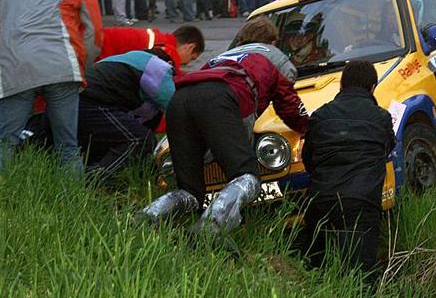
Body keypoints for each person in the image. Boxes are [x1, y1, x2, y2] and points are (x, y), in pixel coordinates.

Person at [138, 17, 309, 234]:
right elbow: (289, 104)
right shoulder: (274, 55)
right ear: (273, 41)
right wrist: (308, 126)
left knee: (190, 191)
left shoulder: (221, 57)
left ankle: (145, 219)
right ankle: (211, 227)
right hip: (221, 98)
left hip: (179, 99)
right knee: (246, 177)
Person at [0, 0, 102, 175]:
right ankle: (73, 204)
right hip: (61, 67)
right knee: (67, 146)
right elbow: (94, 33)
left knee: (4, 142)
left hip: (16, 67)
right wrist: (81, 66)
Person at [301, 60, 395, 283]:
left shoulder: (320, 116)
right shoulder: (381, 118)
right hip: (362, 204)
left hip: (320, 201)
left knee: (315, 273)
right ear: (372, 87)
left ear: (341, 85)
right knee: (362, 278)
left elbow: (308, 158)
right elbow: (387, 150)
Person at [78, 48, 175, 184]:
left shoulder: (122, 63)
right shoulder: (156, 65)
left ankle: (93, 179)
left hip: (74, 104)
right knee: (138, 140)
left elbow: (141, 124)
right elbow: (177, 107)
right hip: (92, 101)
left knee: (121, 141)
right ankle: (91, 182)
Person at [96, 25, 204, 73]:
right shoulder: (163, 51)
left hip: (93, 42)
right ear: (190, 47)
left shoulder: (156, 38)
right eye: (191, 59)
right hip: (93, 53)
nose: (185, 64)